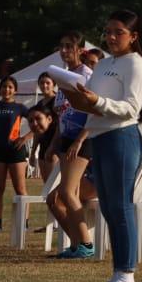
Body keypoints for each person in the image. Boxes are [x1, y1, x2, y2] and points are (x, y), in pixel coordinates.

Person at [60, 10, 142, 282]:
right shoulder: (103, 65)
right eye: (108, 31)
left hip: (121, 137)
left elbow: (130, 108)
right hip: (99, 137)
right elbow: (93, 105)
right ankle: (119, 273)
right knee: (110, 207)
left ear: (133, 36)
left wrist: (96, 100)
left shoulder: (136, 65)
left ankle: (126, 275)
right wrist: (77, 98)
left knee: (120, 206)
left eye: (118, 32)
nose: (111, 37)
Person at [48, 32, 96, 259]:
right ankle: (77, 245)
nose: (64, 51)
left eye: (69, 47)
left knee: (67, 192)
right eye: (62, 46)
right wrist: (53, 144)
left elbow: (95, 114)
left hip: (81, 140)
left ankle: (86, 243)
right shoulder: (64, 76)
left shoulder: (86, 76)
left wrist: (79, 140)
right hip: (66, 139)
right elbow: (62, 115)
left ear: (80, 50)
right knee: (55, 199)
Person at [0, 76, 31, 232]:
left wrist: (25, 138)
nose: (6, 90)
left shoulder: (21, 108)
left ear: (15, 90)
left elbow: (37, 124)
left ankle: (25, 224)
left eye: (10, 87)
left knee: (20, 189)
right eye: (4, 87)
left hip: (16, 152)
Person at [30, 73, 60, 181]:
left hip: (56, 146)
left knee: (54, 186)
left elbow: (60, 126)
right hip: (43, 146)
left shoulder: (58, 101)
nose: (44, 86)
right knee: (46, 186)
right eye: (42, 83)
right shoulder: (39, 105)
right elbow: (37, 131)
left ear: (54, 84)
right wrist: (33, 152)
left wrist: (53, 147)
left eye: (48, 83)